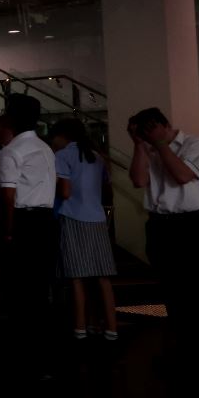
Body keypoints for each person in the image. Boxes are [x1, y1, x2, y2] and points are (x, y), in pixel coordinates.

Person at [126, 107, 199, 334]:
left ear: (164, 125)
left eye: (151, 130)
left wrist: (160, 144)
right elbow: (138, 180)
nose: (148, 136)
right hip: (160, 225)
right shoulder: (148, 148)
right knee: (170, 288)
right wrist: (139, 145)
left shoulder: (196, 144)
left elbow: (182, 176)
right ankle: (182, 339)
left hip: (194, 225)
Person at [0, 93, 58, 376]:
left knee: (19, 292)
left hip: (22, 223)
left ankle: (22, 359)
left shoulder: (12, 151)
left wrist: (8, 232)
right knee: (39, 290)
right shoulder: (45, 148)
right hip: (45, 222)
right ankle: (44, 358)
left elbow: (8, 197)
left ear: (13, 118)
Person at [50, 118, 118, 341]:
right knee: (102, 277)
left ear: (63, 136)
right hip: (97, 219)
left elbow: (66, 192)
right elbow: (107, 191)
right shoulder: (97, 156)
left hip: (72, 217)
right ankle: (110, 327)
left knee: (77, 276)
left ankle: (79, 328)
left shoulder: (62, 156)